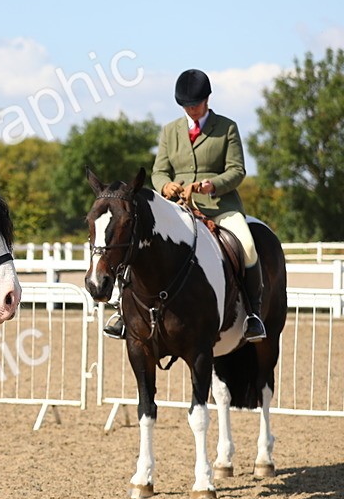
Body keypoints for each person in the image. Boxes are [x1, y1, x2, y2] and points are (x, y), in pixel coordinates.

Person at [103, 69, 266, 342]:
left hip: (219, 207)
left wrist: (211, 184)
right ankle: (123, 311)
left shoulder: (227, 128)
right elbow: (159, 172)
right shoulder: (170, 131)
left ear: (207, 99)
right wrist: (165, 186)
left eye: (196, 104)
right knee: (138, 244)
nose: (191, 109)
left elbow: (237, 170)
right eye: (186, 106)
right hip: (177, 209)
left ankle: (252, 315)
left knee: (247, 247)